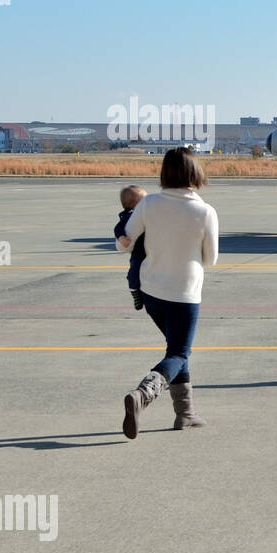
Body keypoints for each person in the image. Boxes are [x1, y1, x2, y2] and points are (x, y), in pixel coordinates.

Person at [116, 148, 219, 438]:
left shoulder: (148, 204)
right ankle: (143, 394)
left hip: (151, 292)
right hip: (184, 294)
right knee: (178, 352)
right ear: (195, 173)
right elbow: (211, 259)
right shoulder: (205, 211)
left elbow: (124, 242)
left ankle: (184, 414)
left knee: (176, 350)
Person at [114, 184, 147, 309]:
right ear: (136, 204)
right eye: (144, 200)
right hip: (139, 250)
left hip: (149, 249)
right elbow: (118, 227)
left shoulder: (142, 211)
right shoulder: (131, 214)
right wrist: (121, 237)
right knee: (135, 271)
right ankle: (135, 291)